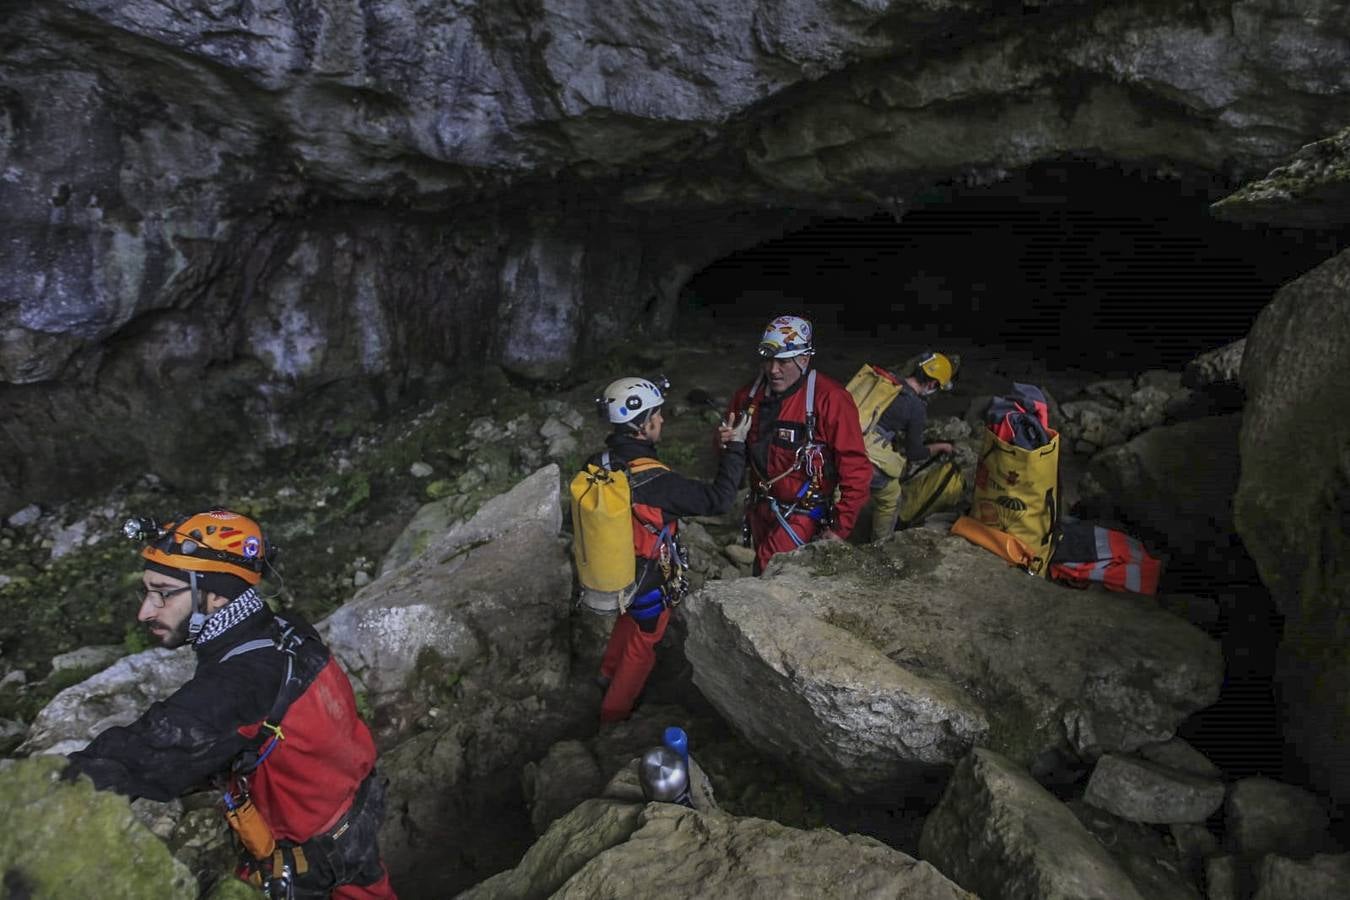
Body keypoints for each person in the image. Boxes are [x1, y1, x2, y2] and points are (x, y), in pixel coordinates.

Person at [64, 509, 396, 900]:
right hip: (352, 823)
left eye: (164, 593)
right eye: (147, 592)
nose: (146, 611)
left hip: (312, 868)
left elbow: (144, 751)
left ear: (219, 594)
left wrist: (41, 793)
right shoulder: (286, 630)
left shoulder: (238, 683)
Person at [593, 376, 748, 723]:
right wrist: (736, 448)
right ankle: (612, 715)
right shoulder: (659, 483)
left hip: (614, 570)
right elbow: (720, 500)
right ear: (641, 426)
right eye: (657, 415)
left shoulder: (601, 460)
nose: (661, 420)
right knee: (644, 643)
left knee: (626, 620)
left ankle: (605, 674)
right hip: (647, 579)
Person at [725, 315, 871, 573]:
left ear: (804, 360)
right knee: (761, 568)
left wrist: (840, 527)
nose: (773, 370)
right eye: (768, 360)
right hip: (761, 507)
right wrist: (727, 442)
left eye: (782, 362)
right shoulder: (748, 397)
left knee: (770, 567)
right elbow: (730, 456)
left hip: (804, 510)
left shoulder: (830, 400)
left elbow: (856, 468)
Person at [867, 352, 958, 541]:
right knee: (891, 495)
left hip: (848, 435)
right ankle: (880, 543)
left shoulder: (891, 380)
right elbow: (914, 453)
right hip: (865, 451)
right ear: (933, 384)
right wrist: (941, 446)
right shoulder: (916, 407)